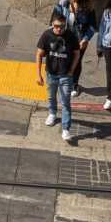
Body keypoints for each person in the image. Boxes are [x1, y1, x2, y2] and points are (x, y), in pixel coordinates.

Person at [35, 11, 81, 144]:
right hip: (51, 74)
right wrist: (38, 75)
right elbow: (38, 54)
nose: (58, 29)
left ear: (65, 26)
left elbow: (77, 53)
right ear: (52, 24)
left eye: (61, 26)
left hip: (65, 76)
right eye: (56, 26)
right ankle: (52, 113)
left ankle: (66, 128)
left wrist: (72, 70)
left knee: (66, 102)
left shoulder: (71, 36)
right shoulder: (46, 35)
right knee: (51, 96)